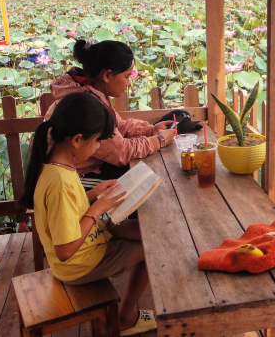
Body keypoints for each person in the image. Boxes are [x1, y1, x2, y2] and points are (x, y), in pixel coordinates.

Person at [19, 92, 156, 336]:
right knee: (152, 250)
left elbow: (68, 209)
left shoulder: (57, 164)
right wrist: (96, 209)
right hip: (79, 263)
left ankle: (126, 313)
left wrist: (93, 196)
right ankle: (125, 317)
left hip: (91, 236)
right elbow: (64, 251)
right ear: (77, 140)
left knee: (149, 232)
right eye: (97, 142)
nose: (99, 148)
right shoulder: (60, 182)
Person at [45, 39, 175, 190]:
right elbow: (120, 152)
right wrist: (159, 140)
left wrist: (149, 130)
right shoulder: (85, 106)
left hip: (85, 169)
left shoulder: (91, 92)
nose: (128, 83)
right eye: (126, 76)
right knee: (145, 184)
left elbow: (117, 127)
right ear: (107, 76)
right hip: (72, 180)